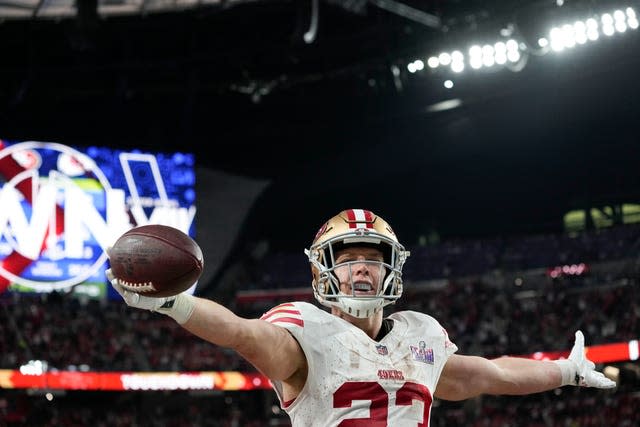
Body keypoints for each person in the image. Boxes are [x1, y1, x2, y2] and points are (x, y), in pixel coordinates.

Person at [106, 208, 616, 426]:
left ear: (391, 267)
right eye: (347, 260)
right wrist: (175, 302)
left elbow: (494, 373)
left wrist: (566, 371)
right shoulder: (304, 331)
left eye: (372, 259)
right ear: (324, 271)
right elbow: (241, 333)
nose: (362, 271)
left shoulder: (422, 335)